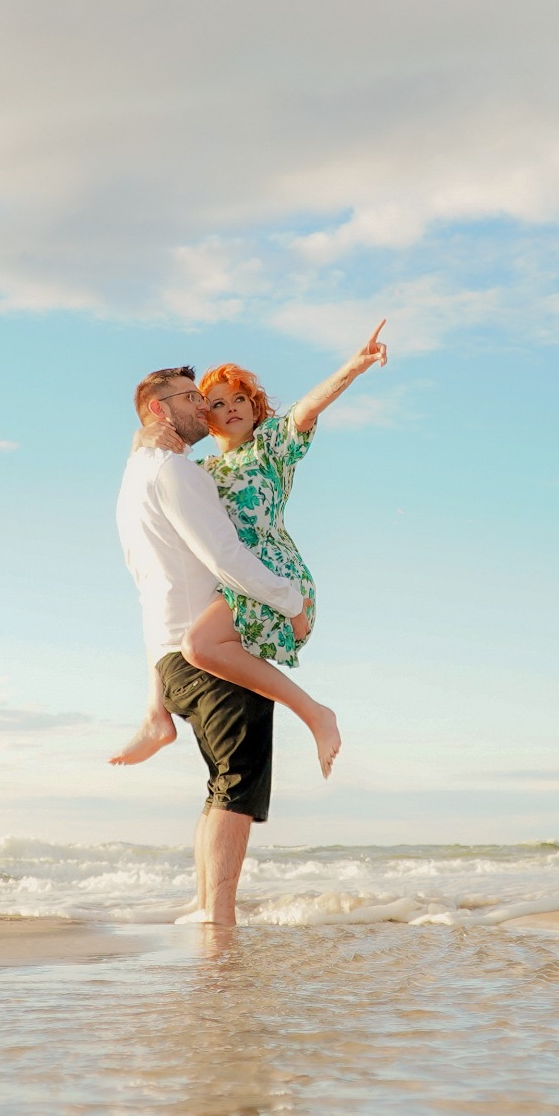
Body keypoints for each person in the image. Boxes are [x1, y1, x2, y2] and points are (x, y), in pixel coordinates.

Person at [110, 322, 388, 779]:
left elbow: (308, 407)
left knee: (197, 644)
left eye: (239, 398)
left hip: (276, 575)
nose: (229, 408)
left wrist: (353, 368)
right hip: (236, 581)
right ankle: (155, 716)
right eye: (215, 403)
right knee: (168, 606)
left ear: (253, 406)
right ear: (205, 417)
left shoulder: (270, 446)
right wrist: (140, 437)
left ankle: (317, 714)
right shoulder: (201, 469)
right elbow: (162, 460)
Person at [113, 366, 311, 926]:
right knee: (238, 786)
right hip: (214, 656)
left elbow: (146, 589)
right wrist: (290, 602)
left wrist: (155, 698)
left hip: (171, 659)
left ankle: (204, 909)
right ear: (159, 410)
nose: (205, 407)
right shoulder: (176, 472)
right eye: (191, 398)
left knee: (220, 783)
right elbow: (227, 557)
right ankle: (220, 921)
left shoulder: (132, 483)